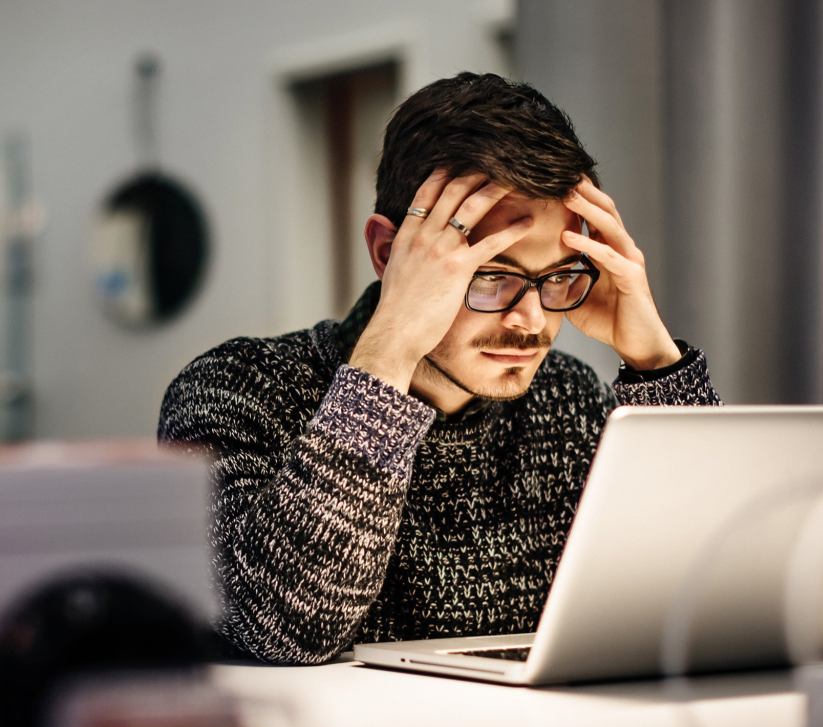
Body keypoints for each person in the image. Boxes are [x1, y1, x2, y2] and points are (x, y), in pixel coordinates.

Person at [158, 72, 721, 665]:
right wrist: (391, 347)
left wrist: (658, 364)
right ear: (387, 253)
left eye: (557, 276)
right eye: (491, 274)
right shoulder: (234, 389)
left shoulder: (570, 401)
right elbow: (288, 632)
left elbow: (715, 592)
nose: (530, 319)